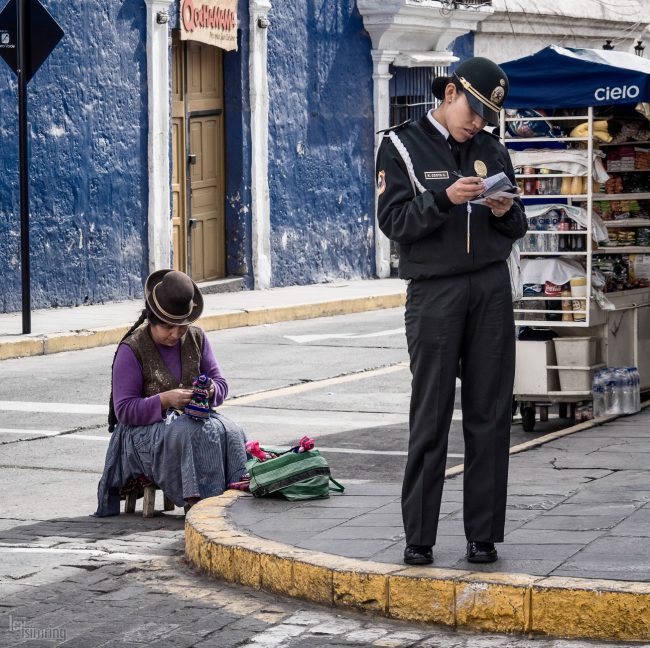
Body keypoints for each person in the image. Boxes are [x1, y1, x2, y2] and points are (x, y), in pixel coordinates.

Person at [375, 57, 527, 565]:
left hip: (489, 288)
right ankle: (419, 537)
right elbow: (394, 221)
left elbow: (519, 225)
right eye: (474, 110)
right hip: (434, 292)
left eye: (486, 117)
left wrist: (506, 211)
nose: (477, 123)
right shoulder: (400, 145)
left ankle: (483, 535)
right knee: (432, 413)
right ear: (449, 94)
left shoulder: (491, 149)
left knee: (490, 413)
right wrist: (443, 199)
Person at [95, 269, 248, 516]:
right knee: (190, 433)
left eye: (182, 327)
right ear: (151, 320)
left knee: (231, 430)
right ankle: (199, 503)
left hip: (191, 420)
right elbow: (124, 410)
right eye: (168, 327)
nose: (175, 334)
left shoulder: (197, 338)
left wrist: (211, 390)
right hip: (141, 433)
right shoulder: (131, 349)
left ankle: (230, 496)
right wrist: (165, 400)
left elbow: (221, 382)